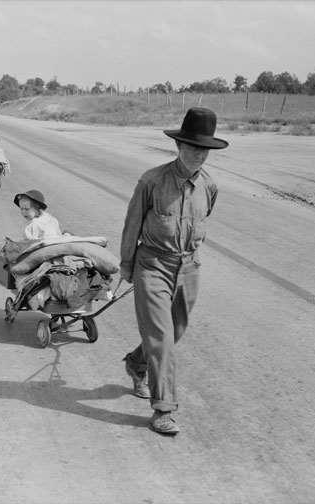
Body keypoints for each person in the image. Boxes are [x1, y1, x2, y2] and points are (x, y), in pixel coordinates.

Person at [119, 107, 228, 435]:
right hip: (152, 265)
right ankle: (163, 409)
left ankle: (137, 364)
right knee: (162, 337)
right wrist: (126, 264)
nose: (198, 155)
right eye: (193, 148)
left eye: (204, 150)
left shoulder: (210, 185)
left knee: (174, 332)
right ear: (178, 146)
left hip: (189, 268)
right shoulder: (152, 181)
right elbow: (132, 225)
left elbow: (204, 219)